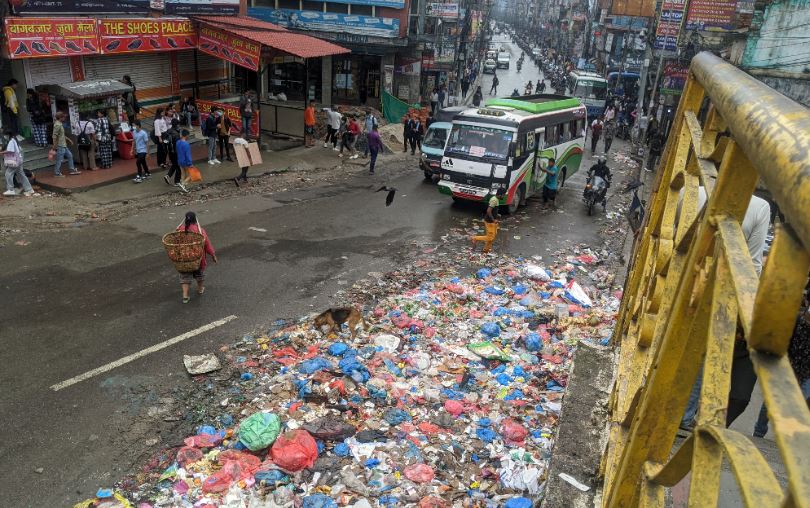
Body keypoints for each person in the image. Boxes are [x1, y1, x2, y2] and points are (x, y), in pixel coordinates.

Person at [752, 298, 810, 438]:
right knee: (772, 399)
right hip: (786, 365)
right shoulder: (796, 321)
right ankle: (759, 430)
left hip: (806, 371)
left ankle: (790, 436)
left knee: (801, 401)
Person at [175, 211, 217, 304]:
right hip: (198, 259)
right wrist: (213, 255)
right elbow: (207, 244)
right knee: (199, 275)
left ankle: (185, 296)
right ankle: (200, 289)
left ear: (185, 220)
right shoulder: (200, 231)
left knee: (185, 277)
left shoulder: (179, 230)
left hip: (184, 259)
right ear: (195, 220)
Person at [3, 129, 36, 197]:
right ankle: (29, 189)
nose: (4, 136)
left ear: (8, 135)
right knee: (21, 174)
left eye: (5, 135)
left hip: (15, 161)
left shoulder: (11, 141)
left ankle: (11, 189)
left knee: (8, 173)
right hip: (19, 159)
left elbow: (10, 151)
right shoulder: (14, 139)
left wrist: (1, 152)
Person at [52, 111, 78, 177]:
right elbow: (54, 136)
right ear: (61, 117)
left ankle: (72, 170)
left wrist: (69, 140)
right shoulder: (57, 125)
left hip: (63, 144)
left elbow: (62, 135)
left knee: (70, 155)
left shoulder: (60, 124)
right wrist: (54, 145)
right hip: (60, 145)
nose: (64, 118)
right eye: (63, 117)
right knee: (59, 159)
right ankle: (57, 173)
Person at [164, 118, 181, 185]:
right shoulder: (176, 134)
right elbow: (178, 145)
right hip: (176, 152)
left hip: (170, 152)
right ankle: (177, 181)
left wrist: (166, 151)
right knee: (178, 167)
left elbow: (165, 142)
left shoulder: (168, 131)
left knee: (174, 165)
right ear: (176, 125)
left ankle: (168, 176)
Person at [176, 129, 193, 194]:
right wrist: (190, 163)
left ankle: (182, 187)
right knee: (190, 175)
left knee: (183, 174)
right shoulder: (186, 144)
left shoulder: (177, 142)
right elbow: (188, 155)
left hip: (180, 161)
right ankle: (183, 184)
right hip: (186, 162)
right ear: (186, 135)